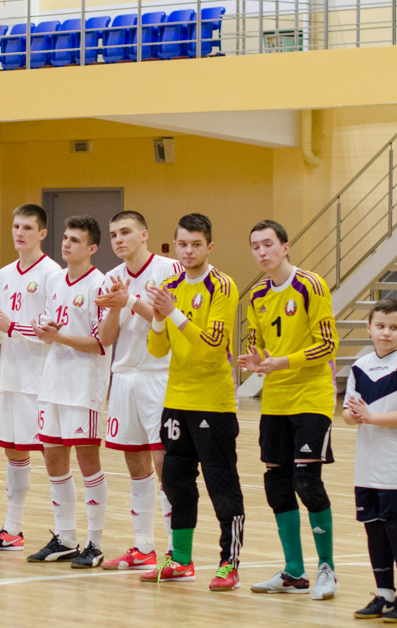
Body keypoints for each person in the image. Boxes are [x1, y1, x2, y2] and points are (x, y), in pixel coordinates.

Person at [238, 219, 340, 600]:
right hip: (276, 401)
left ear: (286, 246)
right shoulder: (257, 296)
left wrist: (284, 362)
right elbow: (257, 345)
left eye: (268, 244)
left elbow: (327, 344)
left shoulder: (310, 285)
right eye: (255, 246)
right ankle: (294, 572)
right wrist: (254, 360)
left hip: (311, 397)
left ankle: (326, 568)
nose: (262, 252)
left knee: (307, 482)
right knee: (277, 484)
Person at [143, 213, 245, 588]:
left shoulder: (222, 286)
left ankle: (228, 562)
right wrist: (157, 318)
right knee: (175, 481)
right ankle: (181, 559)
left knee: (221, 483)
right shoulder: (170, 285)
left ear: (209, 246)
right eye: (182, 244)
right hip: (176, 400)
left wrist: (172, 312)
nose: (188, 251)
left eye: (196, 244)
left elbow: (213, 348)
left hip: (213, 403)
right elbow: (157, 350)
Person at [0, 204, 61, 552]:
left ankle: (63, 532)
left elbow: (52, 331)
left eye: (27, 227)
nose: (19, 233)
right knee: (13, 451)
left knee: (52, 454)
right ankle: (12, 528)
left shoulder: (53, 273)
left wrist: (12, 326)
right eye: (15, 226)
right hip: (10, 375)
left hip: (41, 378)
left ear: (41, 233)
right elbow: (1, 332)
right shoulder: (5, 273)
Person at [95, 211, 182, 571]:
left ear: (144, 234)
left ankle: (177, 548)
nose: (119, 239)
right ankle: (143, 546)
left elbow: (168, 320)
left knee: (165, 462)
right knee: (135, 463)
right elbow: (107, 337)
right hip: (124, 375)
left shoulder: (169, 269)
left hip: (159, 374)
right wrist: (116, 306)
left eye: (126, 232)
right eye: (114, 234)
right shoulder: (111, 277)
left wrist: (129, 301)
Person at [26, 216, 111, 566]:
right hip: (53, 381)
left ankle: (95, 542)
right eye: (64, 237)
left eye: (74, 240)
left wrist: (57, 336)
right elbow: (48, 324)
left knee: (87, 459)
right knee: (52, 457)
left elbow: (99, 343)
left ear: (91, 248)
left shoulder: (101, 285)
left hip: (83, 385)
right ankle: (65, 538)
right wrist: (44, 328)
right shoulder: (53, 279)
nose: (66, 244)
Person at [343, 299, 397, 623]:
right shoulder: (360, 366)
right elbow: (350, 414)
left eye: (394, 327)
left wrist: (370, 417)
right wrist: (354, 416)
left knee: (396, 527)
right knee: (374, 529)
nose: (386, 333)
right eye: (380, 326)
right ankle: (384, 594)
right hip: (367, 463)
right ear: (369, 327)